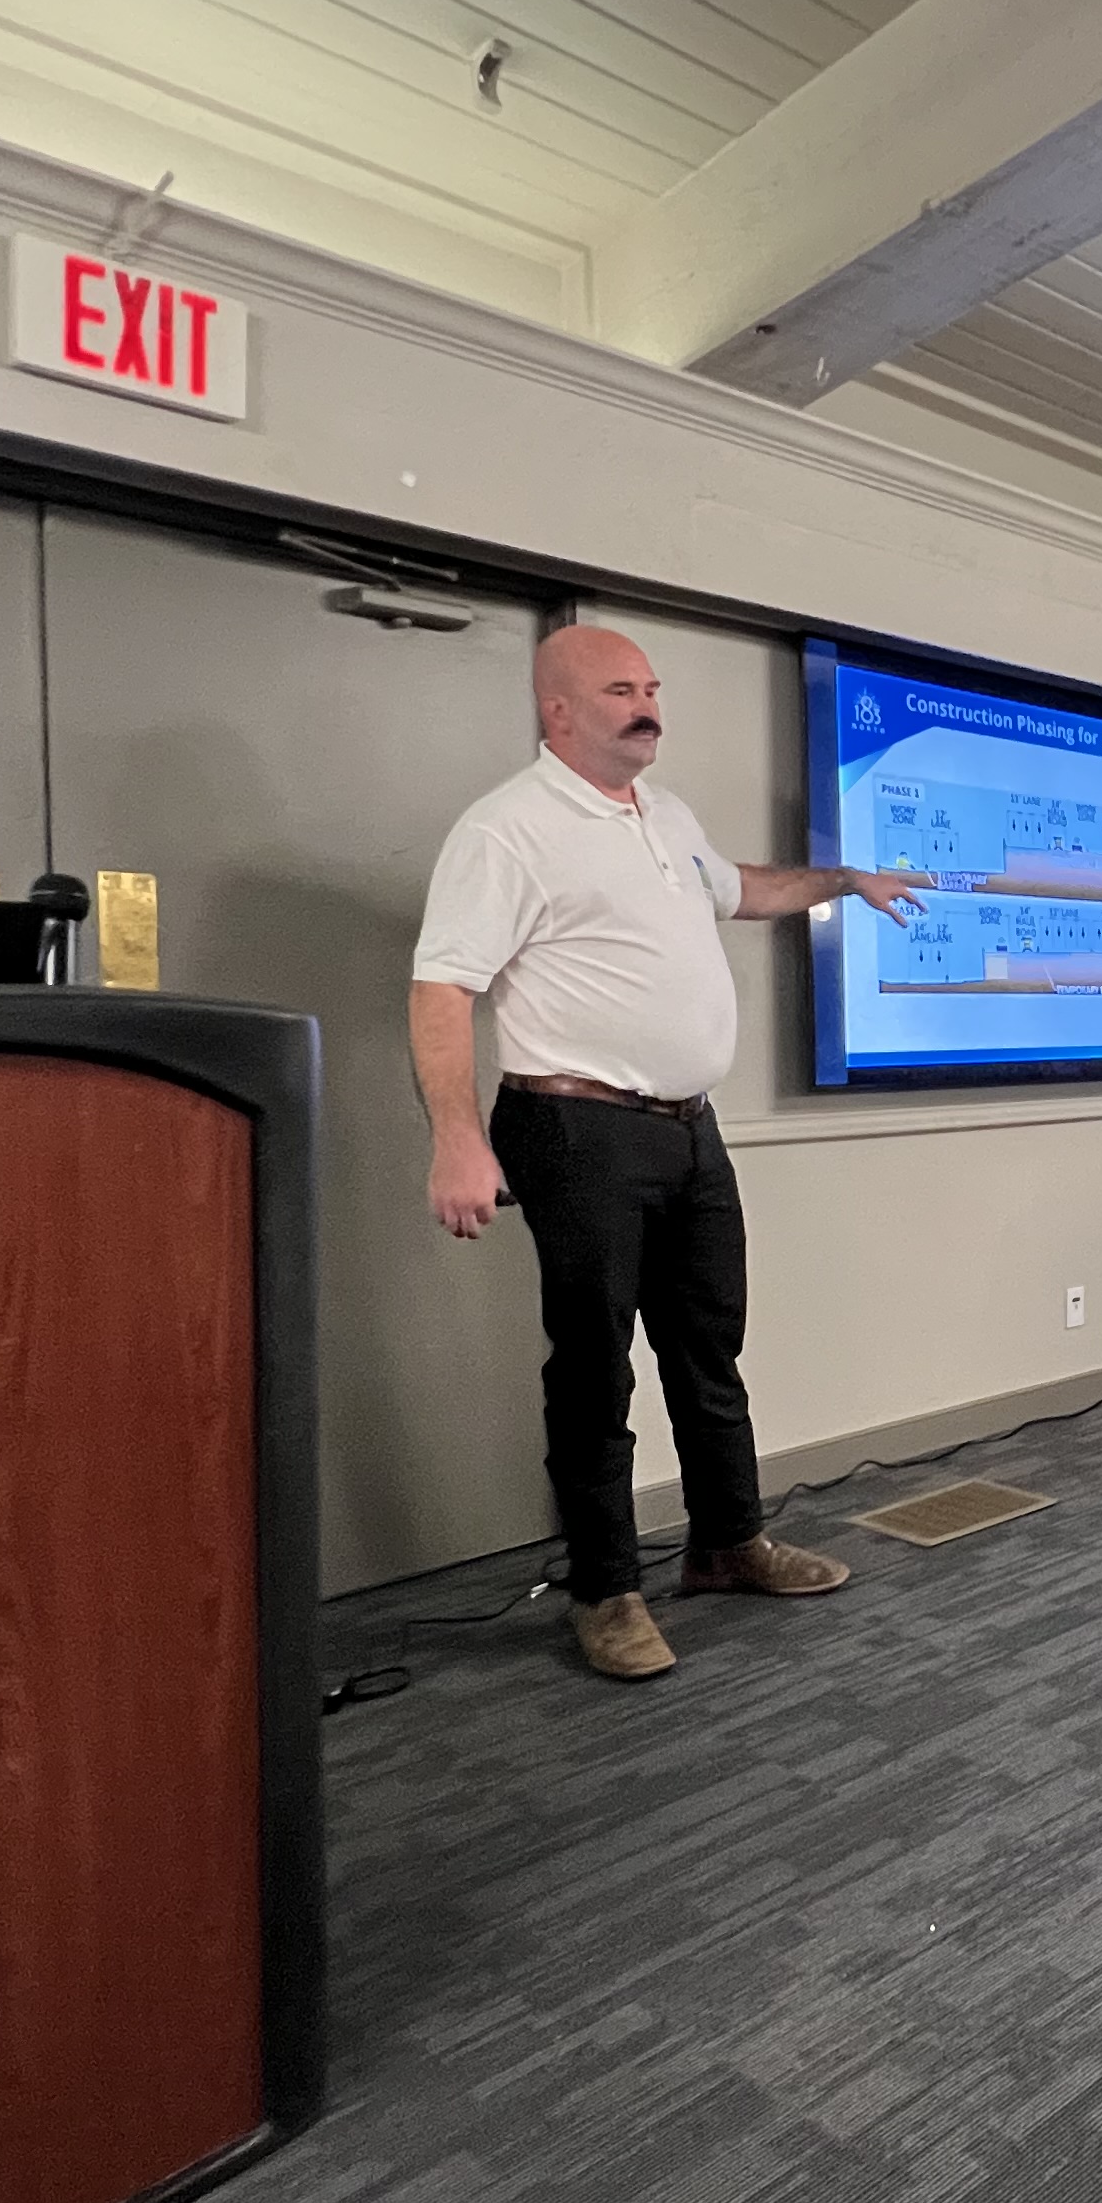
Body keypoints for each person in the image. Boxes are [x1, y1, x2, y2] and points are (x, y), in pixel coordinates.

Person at [411, 623, 930, 1684]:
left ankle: (728, 1545)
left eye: (651, 687)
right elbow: (442, 988)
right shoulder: (506, 830)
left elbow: (741, 887)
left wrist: (848, 880)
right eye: (619, 690)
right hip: (574, 1127)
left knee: (707, 1347)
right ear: (559, 711)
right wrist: (457, 1138)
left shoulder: (665, 815)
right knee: (596, 1364)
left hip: (689, 1127)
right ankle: (605, 1592)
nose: (647, 705)